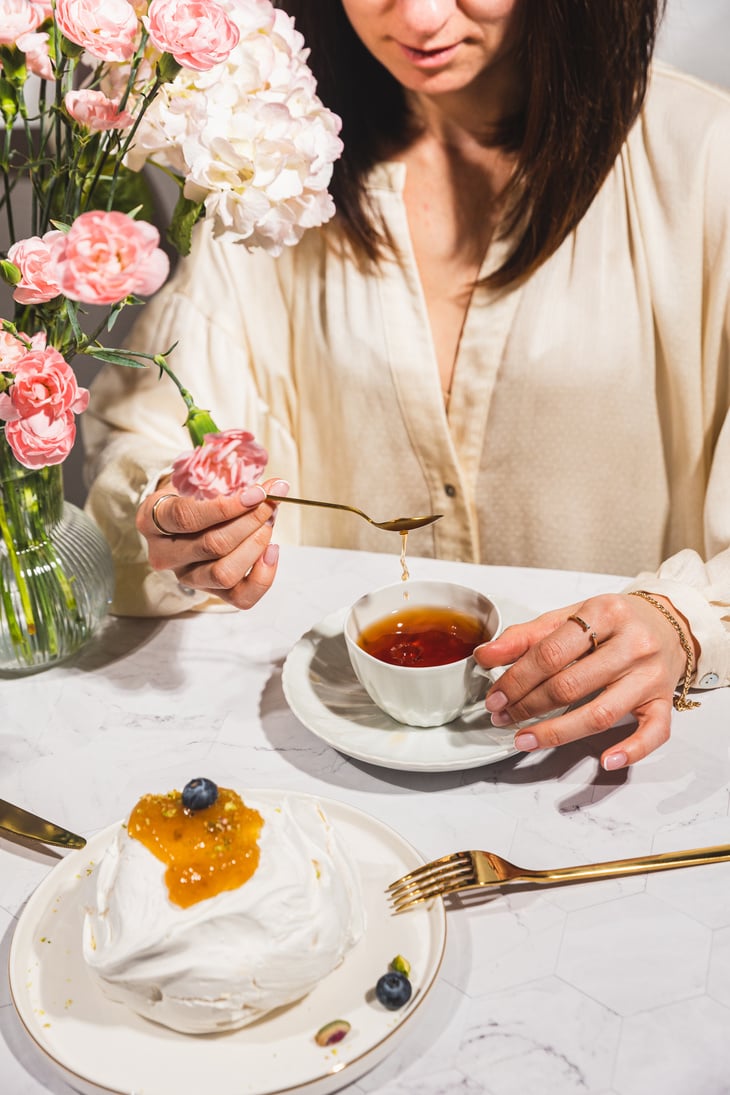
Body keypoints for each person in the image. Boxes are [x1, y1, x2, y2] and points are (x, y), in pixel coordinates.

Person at [83, 0, 730, 773]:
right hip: (330, 764)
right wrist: (179, 521)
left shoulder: (702, 160)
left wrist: (684, 620)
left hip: (608, 762)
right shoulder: (272, 168)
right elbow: (150, 440)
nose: (421, 18)